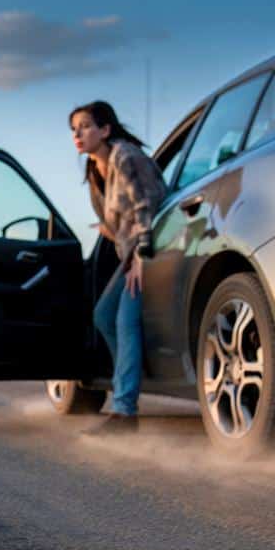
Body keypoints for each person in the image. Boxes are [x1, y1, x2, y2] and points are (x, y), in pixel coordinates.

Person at [69, 101, 167, 434]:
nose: (77, 134)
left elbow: (148, 206)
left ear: (105, 129)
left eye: (84, 126)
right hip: (130, 255)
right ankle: (130, 376)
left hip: (154, 248)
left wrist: (141, 255)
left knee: (124, 320)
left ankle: (125, 411)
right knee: (103, 316)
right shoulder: (95, 173)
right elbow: (117, 222)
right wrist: (109, 233)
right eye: (73, 129)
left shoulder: (126, 157)